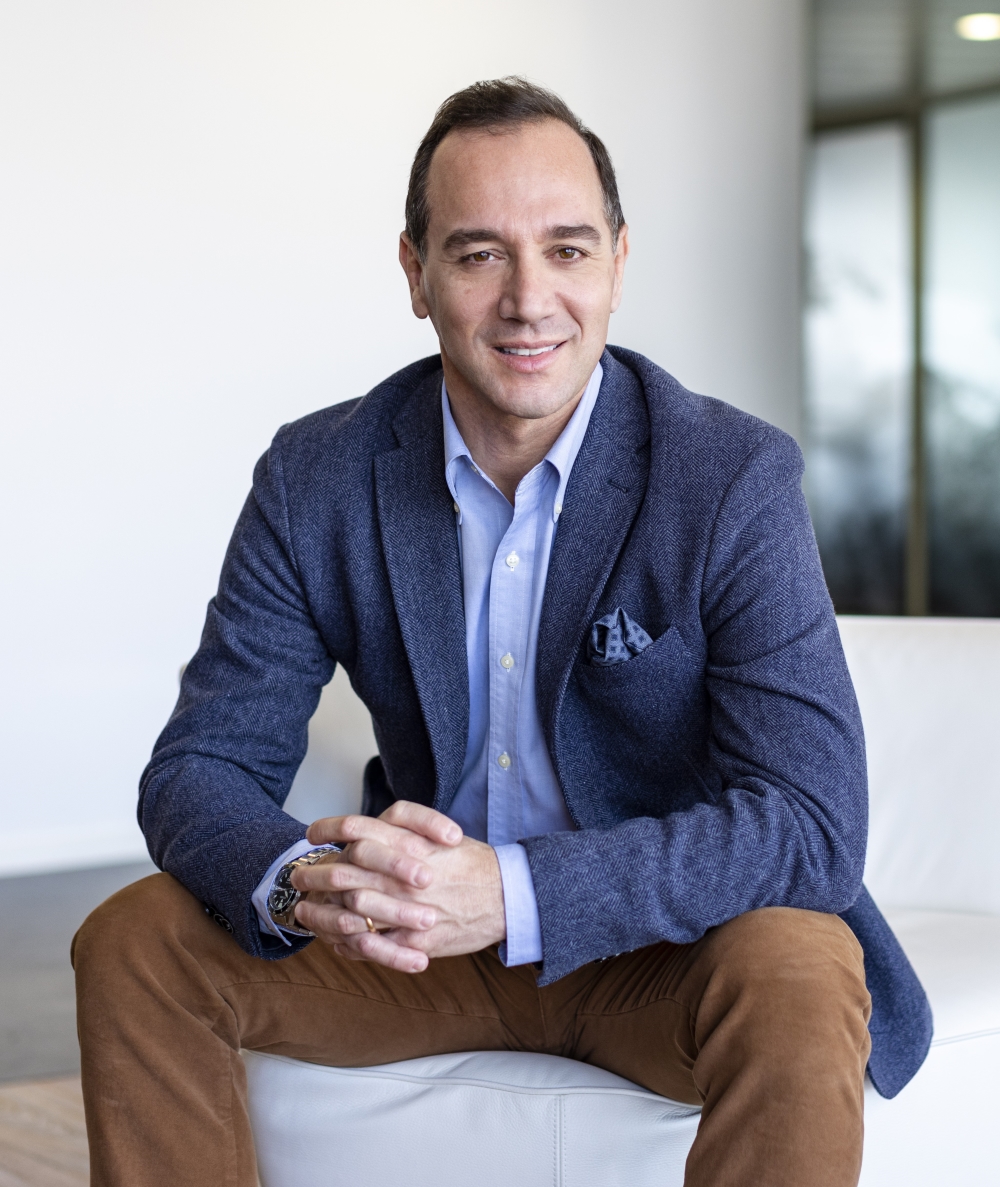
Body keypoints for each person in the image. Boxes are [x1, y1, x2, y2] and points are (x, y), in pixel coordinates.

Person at [73, 77, 931, 1187]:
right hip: (415, 943)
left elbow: (811, 826)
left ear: (619, 262)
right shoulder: (316, 477)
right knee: (137, 940)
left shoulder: (729, 476)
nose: (530, 298)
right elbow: (198, 767)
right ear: (415, 273)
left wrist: (519, 893)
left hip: (664, 949)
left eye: (567, 250)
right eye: (479, 254)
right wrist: (297, 879)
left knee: (802, 962)